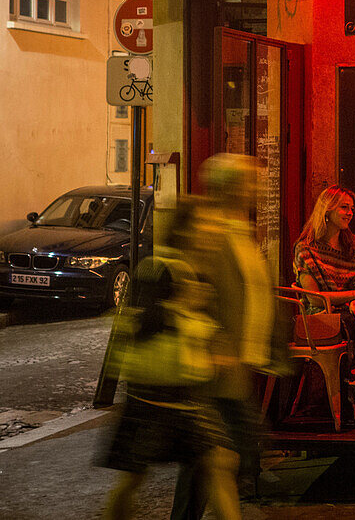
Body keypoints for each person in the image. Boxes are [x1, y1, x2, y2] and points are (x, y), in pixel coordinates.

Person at [101, 201, 239, 520]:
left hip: (185, 395)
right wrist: (188, 312)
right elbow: (143, 326)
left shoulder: (195, 271)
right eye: (205, 225)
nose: (213, 232)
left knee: (220, 462)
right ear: (185, 229)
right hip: (153, 396)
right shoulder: (158, 267)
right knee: (132, 480)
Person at [172, 154, 280, 520]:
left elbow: (251, 290)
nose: (257, 188)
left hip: (237, 365)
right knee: (223, 456)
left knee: (213, 460)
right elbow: (190, 294)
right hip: (214, 368)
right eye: (250, 181)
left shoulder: (238, 228)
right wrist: (214, 343)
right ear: (230, 187)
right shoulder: (208, 231)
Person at [293, 185, 355, 417]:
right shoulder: (306, 248)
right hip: (318, 317)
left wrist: (354, 300)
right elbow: (314, 299)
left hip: (348, 310)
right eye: (344, 207)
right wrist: (354, 297)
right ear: (326, 211)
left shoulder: (354, 243)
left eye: (352, 209)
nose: (350, 213)